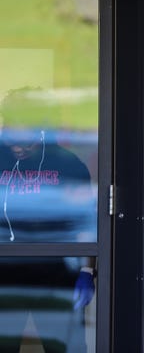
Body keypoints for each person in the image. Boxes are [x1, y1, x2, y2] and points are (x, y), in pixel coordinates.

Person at [0, 123, 97, 352]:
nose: (15, 146)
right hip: (6, 274)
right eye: (10, 138)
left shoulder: (67, 164)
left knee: (62, 347)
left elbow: (88, 220)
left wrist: (87, 271)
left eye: (23, 139)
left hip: (58, 274)